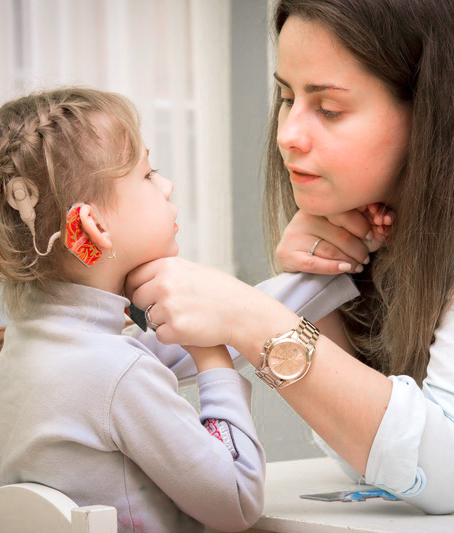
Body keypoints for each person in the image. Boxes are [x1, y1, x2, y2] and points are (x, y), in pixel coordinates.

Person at [125, 0, 454, 515]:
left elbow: (445, 471)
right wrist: (316, 290)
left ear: (429, 111)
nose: (287, 135)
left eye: (330, 109)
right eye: (286, 97)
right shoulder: (380, 237)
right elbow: (376, 465)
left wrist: (256, 321)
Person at [0, 87, 270, 533]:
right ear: (91, 227)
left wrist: (322, 277)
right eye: (148, 174)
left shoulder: (27, 348)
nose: (167, 186)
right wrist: (213, 358)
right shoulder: (118, 374)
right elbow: (238, 501)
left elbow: (170, 347)